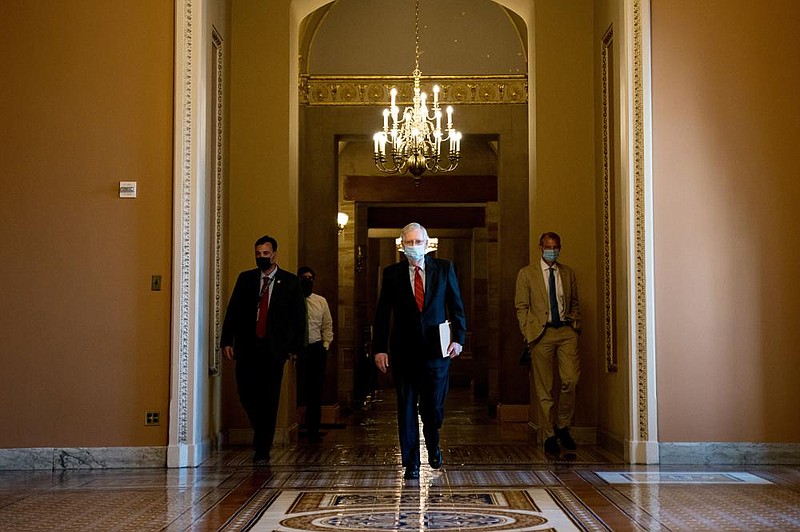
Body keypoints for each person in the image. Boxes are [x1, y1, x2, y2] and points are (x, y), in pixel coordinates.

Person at [373, 222, 467, 480]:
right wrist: (380, 348)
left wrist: (458, 339)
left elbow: (456, 307)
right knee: (405, 406)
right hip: (403, 351)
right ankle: (411, 462)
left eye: (418, 242)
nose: (413, 247)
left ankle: (433, 442)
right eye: (409, 243)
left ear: (427, 245)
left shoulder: (445, 269)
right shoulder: (392, 274)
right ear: (402, 245)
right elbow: (382, 313)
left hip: (437, 350)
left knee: (432, 407)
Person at [220, 235, 306, 464]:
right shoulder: (246, 279)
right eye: (258, 254)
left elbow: (299, 318)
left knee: (269, 397)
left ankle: (262, 448)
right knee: (246, 392)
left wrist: (295, 347)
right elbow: (233, 310)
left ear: (274, 254)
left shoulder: (290, 282)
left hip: (274, 349)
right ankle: (261, 429)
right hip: (248, 347)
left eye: (265, 254)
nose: (261, 258)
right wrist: (227, 340)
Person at [514, 231, 582, 457]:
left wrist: (574, 323)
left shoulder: (568, 273)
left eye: (556, 247)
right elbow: (521, 306)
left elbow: (573, 302)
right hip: (540, 334)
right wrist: (527, 331)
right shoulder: (527, 274)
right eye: (548, 247)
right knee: (544, 389)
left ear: (560, 248)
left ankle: (563, 426)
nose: (552, 251)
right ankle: (549, 435)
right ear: (540, 248)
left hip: (565, 331)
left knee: (570, 379)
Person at [297, 266, 333, 443]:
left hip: (316, 348)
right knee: (298, 389)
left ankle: (313, 429)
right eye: (304, 277)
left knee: (315, 391)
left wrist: (325, 346)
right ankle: (296, 425)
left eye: (310, 278)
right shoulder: (292, 301)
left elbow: (327, 325)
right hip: (297, 349)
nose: (307, 280)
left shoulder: (320, 301)